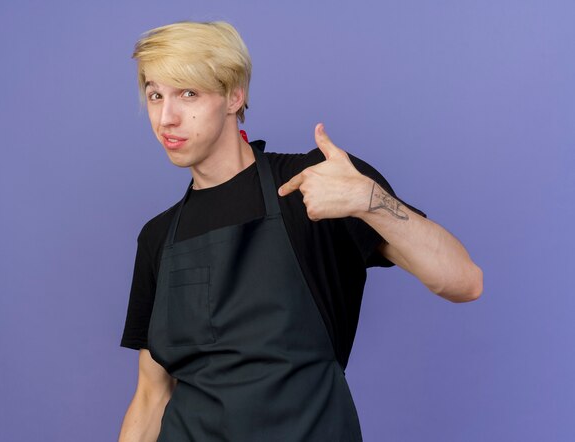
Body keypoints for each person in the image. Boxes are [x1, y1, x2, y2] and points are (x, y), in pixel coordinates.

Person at [118, 21, 482, 442]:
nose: (166, 117)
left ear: (235, 96)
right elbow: (151, 396)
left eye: (188, 93)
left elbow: (462, 280)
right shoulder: (159, 237)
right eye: (155, 95)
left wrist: (369, 201)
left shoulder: (316, 186)